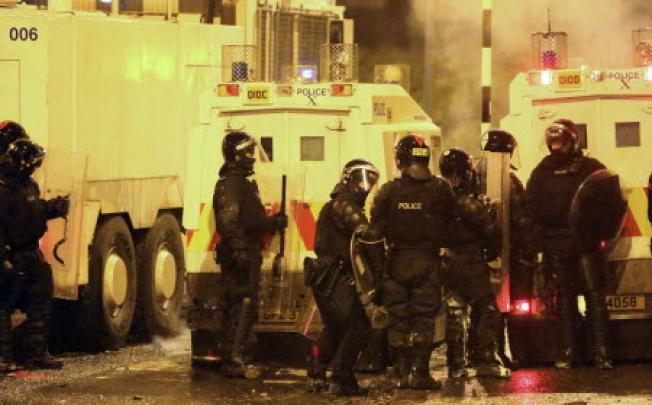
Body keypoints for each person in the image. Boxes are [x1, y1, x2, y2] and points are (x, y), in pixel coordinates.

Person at [360, 134, 457, 390]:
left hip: (398, 262)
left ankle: (403, 373)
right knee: (424, 317)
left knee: (399, 317)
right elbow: (451, 224)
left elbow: (375, 230)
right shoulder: (441, 188)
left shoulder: (389, 191)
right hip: (428, 261)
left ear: (400, 158)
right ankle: (420, 372)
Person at [526, 119, 612, 370]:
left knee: (595, 298)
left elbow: (608, 203)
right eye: (552, 142)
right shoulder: (542, 171)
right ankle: (568, 351)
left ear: (572, 140)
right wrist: (538, 244)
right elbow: (531, 208)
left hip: (586, 244)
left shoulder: (591, 167)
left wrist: (598, 232)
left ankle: (601, 352)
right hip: (556, 244)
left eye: (560, 141)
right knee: (564, 300)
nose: (556, 146)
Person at [212, 131, 288, 378]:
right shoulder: (233, 184)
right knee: (241, 303)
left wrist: (272, 223)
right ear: (236, 155)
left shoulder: (240, 183)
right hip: (241, 252)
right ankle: (234, 358)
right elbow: (230, 219)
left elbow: (250, 220)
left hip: (244, 249)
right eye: (247, 152)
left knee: (242, 303)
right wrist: (238, 248)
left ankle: (238, 355)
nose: (252, 157)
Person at [306, 159, 380, 396]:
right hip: (334, 275)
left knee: (336, 326)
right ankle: (342, 377)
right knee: (358, 323)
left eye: (371, 180)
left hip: (328, 275)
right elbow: (366, 234)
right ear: (349, 178)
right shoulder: (343, 206)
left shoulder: (337, 205)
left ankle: (317, 370)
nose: (367, 186)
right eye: (363, 179)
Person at [439, 148, 511, 379]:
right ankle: (486, 361)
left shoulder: (436, 197)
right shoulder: (466, 200)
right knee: (486, 309)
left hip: (446, 261)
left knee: (454, 311)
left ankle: (456, 364)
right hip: (470, 260)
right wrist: (492, 254)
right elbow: (490, 230)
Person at [0, 138, 69, 371]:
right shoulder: (3, 189)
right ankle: (4, 358)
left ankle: (36, 354)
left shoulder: (29, 185)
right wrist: (3, 259)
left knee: (40, 303)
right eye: (33, 163)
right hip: (12, 255)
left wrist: (52, 208)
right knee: (2, 307)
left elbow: (32, 212)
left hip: (32, 254)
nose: (36, 167)